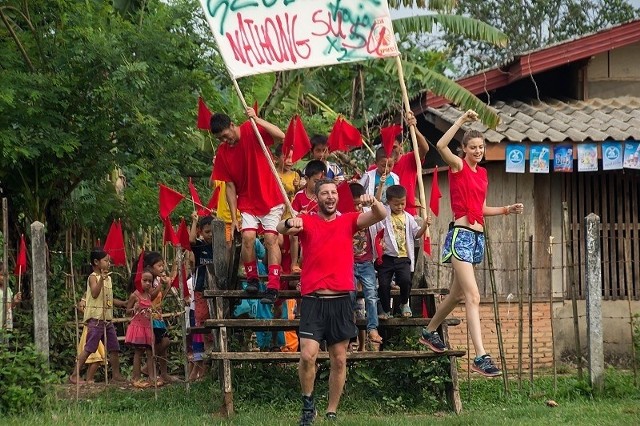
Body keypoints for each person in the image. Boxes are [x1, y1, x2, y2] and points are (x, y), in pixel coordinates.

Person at [419, 110, 524, 378]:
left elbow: (481, 207)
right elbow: (441, 146)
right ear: (464, 149)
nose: (478, 151)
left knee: (456, 295)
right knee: (473, 296)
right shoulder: (458, 167)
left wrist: (506, 210)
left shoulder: (483, 174)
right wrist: (461, 122)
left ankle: (429, 332)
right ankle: (481, 356)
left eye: (480, 147)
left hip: (477, 237)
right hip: (461, 236)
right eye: (473, 147)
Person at [277, 178, 386, 425]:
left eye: (333, 192)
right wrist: (289, 222)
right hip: (313, 299)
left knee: (339, 358)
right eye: (324, 193)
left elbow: (379, 215)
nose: (330, 196)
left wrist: (374, 201)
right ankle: (308, 404)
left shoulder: (348, 220)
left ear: (338, 196)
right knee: (308, 355)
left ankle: (331, 410)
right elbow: (280, 229)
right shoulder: (307, 221)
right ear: (317, 198)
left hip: (341, 299)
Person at [211, 107, 285, 304]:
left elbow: (281, 136)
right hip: (247, 200)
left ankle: (273, 285)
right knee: (248, 236)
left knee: (270, 238)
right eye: (221, 139)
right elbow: (229, 186)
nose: (226, 141)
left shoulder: (251, 128)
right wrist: (234, 218)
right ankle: (252, 278)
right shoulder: (223, 152)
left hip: (270, 195)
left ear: (232, 126)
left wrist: (257, 119)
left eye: (226, 135)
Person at [70, 249, 126, 384]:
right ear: (96, 262)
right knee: (89, 348)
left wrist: (124, 304)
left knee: (114, 347)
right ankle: (74, 375)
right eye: (106, 261)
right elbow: (95, 293)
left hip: (107, 319)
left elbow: (109, 299)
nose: (109, 263)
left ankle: (116, 375)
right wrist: (102, 278)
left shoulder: (109, 279)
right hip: (96, 319)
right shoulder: (93, 277)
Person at [376, 185, 430, 319]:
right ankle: (386, 310)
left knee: (406, 281)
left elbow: (416, 234)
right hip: (386, 257)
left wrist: (424, 226)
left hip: (403, 256)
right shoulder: (384, 215)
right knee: (383, 284)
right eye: (396, 204)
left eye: (402, 203)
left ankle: (404, 303)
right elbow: (375, 207)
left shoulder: (409, 218)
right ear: (388, 202)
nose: (399, 207)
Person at [349, 183, 383, 345]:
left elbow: (381, 217)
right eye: (354, 204)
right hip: (348, 264)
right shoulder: (344, 217)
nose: (357, 207)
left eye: (359, 204)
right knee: (348, 296)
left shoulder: (368, 216)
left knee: (371, 295)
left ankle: (372, 328)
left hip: (366, 263)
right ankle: (348, 331)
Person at [145, 251, 178, 384]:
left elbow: (161, 298)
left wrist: (167, 286)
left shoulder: (157, 280)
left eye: (162, 265)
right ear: (150, 267)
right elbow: (149, 298)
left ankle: (163, 373)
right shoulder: (147, 280)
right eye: (159, 265)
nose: (162, 268)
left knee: (164, 342)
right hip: (149, 317)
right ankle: (149, 369)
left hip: (158, 316)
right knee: (156, 344)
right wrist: (159, 286)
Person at [290, 160, 327, 273]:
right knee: (294, 233)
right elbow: (293, 216)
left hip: (319, 230)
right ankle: (294, 263)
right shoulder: (299, 196)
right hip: (303, 231)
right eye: (316, 181)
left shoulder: (324, 196)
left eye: (321, 181)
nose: (318, 185)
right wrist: (301, 215)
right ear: (306, 179)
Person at [125, 267, 155, 388]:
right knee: (138, 352)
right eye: (145, 280)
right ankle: (135, 377)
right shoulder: (135, 295)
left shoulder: (149, 295)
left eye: (150, 281)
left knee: (150, 351)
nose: (148, 283)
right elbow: (127, 311)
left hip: (147, 327)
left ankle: (152, 377)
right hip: (138, 328)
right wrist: (134, 308)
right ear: (139, 281)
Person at [189, 213, 214, 348]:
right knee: (203, 318)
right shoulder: (199, 246)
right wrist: (194, 221)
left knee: (216, 317)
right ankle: (207, 348)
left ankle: (215, 346)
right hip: (201, 288)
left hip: (217, 289)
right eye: (207, 232)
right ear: (201, 232)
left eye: (213, 231)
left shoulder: (220, 247)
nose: (210, 234)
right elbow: (191, 241)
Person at [0, 261, 21, 332]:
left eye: (8, 274)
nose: (6, 277)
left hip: (6, 327)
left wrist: (14, 301)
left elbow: (9, 307)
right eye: (3, 275)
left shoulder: (8, 290)